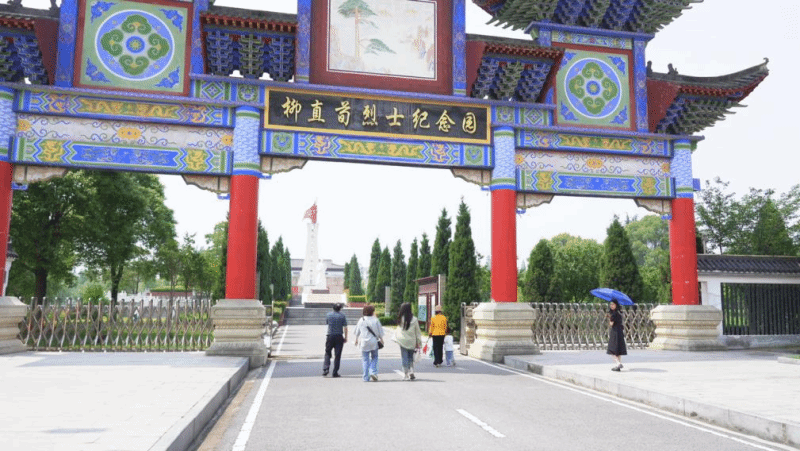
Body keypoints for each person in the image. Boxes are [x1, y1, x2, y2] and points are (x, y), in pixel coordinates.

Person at [354, 304, 384, 381]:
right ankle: (373, 372)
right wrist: (381, 339)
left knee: (365, 359)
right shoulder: (376, 320)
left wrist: (356, 339)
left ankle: (366, 377)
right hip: (374, 342)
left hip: (364, 342)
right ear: (372, 312)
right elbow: (380, 332)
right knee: (375, 357)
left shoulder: (361, 320)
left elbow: (357, 331)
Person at [394, 302, 422, 381]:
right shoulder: (414, 319)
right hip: (412, 341)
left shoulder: (400, 319)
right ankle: (411, 370)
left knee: (404, 357)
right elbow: (418, 332)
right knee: (410, 357)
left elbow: (398, 330)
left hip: (403, 340)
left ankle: (406, 374)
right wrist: (419, 342)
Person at [323, 303, 348, 378]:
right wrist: (345, 337)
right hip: (339, 336)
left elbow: (327, 323)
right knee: (337, 355)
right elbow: (345, 328)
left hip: (330, 336)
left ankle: (326, 369)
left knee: (328, 352)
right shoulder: (342, 316)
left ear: (333, 308)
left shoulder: (328, 315)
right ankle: (335, 372)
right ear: (340, 308)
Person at [607, 299, 628, 371]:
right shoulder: (620, 312)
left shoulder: (613, 314)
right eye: (611, 304)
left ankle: (618, 363)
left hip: (615, 332)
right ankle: (618, 366)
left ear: (616, 305)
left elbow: (611, 324)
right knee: (618, 350)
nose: (611, 306)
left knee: (612, 349)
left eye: (613, 304)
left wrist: (610, 319)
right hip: (620, 332)